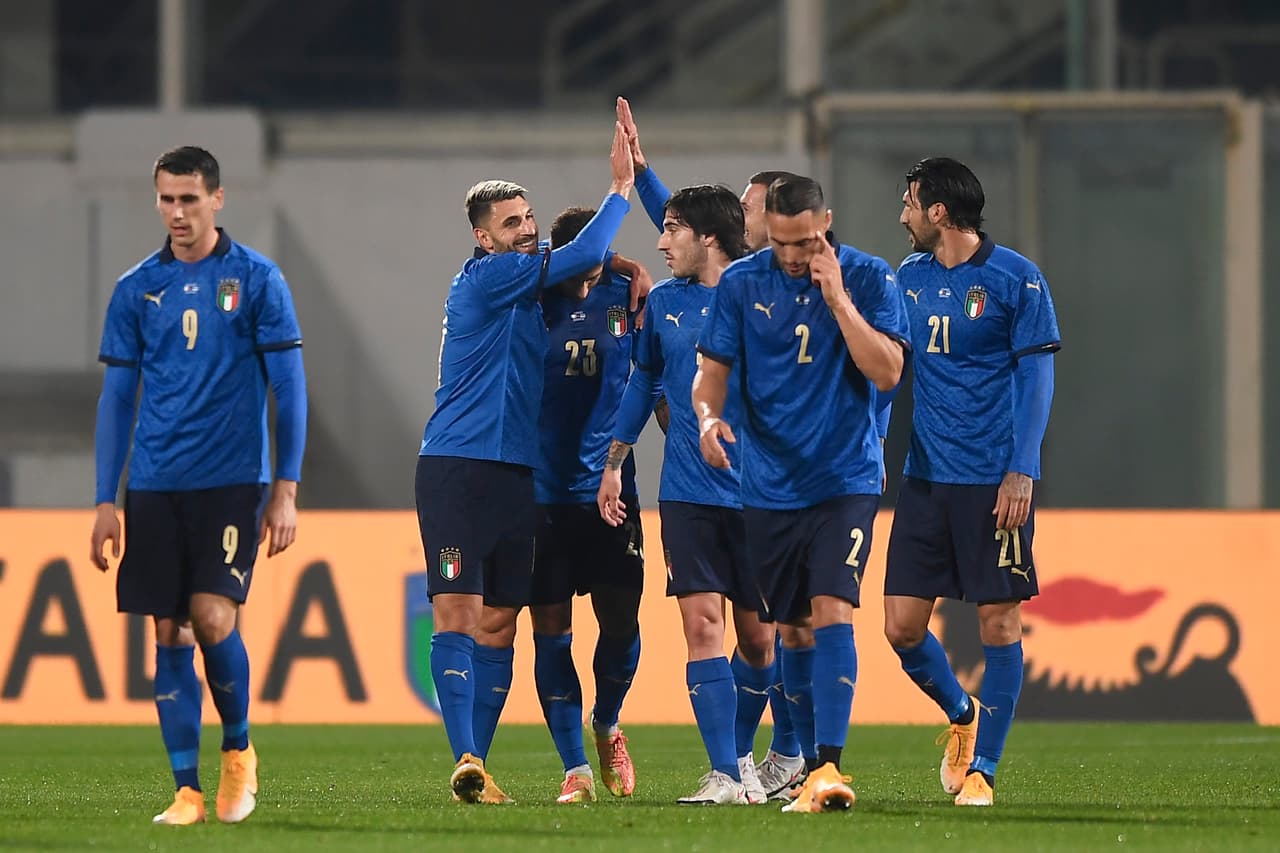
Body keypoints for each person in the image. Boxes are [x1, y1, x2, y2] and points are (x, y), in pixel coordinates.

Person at [416, 119, 635, 805]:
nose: (525, 230)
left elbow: (591, 269)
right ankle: (466, 755)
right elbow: (589, 247)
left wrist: (628, 272)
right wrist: (623, 187)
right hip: (456, 466)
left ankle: (477, 770)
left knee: (501, 621)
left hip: (516, 476)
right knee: (456, 611)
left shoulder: (524, 288)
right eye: (511, 222)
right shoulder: (490, 278)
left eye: (529, 218)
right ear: (483, 236)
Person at [90, 145, 307, 826]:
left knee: (213, 615)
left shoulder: (257, 279)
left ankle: (238, 749)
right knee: (170, 629)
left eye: (189, 198)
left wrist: (287, 488)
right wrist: (105, 498)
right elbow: (118, 398)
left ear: (218, 198)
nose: (177, 212)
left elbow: (289, 388)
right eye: (166, 198)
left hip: (232, 480)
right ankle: (186, 789)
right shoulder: (136, 288)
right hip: (155, 483)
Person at [693, 175, 908, 813]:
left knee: (832, 608)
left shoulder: (869, 278)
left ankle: (829, 768)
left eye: (805, 240)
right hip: (768, 484)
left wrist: (839, 301)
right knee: (792, 629)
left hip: (844, 477)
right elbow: (711, 376)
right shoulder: (742, 284)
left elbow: (889, 371)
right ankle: (805, 767)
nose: (793, 254)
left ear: (827, 222)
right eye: (783, 242)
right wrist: (708, 419)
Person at [614, 97, 806, 801]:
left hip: (760, 493)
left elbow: (706, 226)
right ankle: (729, 769)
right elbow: (645, 381)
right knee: (700, 623)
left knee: (760, 641)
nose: (663, 242)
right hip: (689, 493)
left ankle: (779, 751)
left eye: (673, 232)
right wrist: (640, 175)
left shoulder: (772, 292)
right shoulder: (666, 302)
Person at [884, 156, 1060, 807]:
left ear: (938, 211)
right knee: (900, 628)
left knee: (1000, 623)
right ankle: (963, 713)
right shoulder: (908, 278)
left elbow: (1037, 378)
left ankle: (983, 767)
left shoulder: (1017, 278)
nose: (901, 214)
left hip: (994, 482)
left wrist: (1023, 467)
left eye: (908, 202)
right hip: (926, 480)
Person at [531, 206, 647, 804]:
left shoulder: (626, 291)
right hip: (542, 497)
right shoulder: (530, 297)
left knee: (621, 623)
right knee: (551, 633)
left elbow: (651, 375)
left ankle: (607, 721)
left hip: (611, 492)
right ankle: (574, 768)